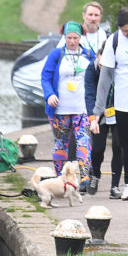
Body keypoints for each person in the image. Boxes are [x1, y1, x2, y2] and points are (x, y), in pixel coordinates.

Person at [90, 7, 128, 200]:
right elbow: (104, 79)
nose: (126, 33)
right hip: (122, 105)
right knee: (126, 146)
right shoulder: (113, 41)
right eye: (122, 30)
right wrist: (98, 109)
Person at [41, 21, 96, 179]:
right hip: (59, 110)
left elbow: (96, 75)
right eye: (69, 37)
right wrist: (50, 94)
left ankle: (84, 177)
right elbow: (45, 77)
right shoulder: (56, 54)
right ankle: (61, 178)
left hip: (82, 109)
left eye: (75, 38)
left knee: (84, 142)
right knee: (61, 143)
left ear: (80, 38)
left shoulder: (87, 54)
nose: (72, 41)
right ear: (64, 37)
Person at [80, 1, 108, 194]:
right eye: (90, 15)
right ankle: (82, 176)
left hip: (105, 96)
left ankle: (119, 181)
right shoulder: (76, 35)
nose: (93, 18)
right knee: (82, 141)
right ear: (84, 16)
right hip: (80, 94)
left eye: (96, 15)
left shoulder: (104, 36)